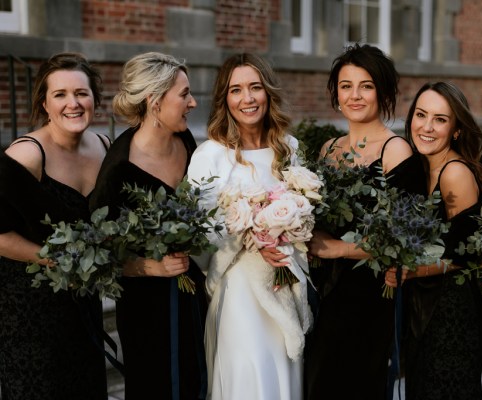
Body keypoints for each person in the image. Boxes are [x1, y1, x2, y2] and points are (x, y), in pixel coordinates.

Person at [303, 43, 427, 400]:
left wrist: (340, 248)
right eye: (346, 86)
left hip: (371, 295)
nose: (354, 95)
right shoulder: (328, 149)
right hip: (324, 292)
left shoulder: (396, 151)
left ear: (383, 91)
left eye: (366, 85)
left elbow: (407, 238)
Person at [186, 53, 312, 400]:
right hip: (238, 287)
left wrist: (289, 230)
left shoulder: (288, 149)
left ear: (268, 92)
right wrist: (253, 236)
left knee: (285, 370)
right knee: (249, 372)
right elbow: (199, 233)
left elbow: (306, 211)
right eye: (236, 90)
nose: (248, 98)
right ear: (224, 99)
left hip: (283, 284)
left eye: (255, 87)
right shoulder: (210, 155)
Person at [89, 52, 206, 400]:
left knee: (196, 377)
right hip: (145, 306)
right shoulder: (118, 170)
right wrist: (148, 267)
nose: (193, 102)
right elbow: (99, 255)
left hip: (189, 292)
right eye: (184, 94)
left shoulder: (186, 142)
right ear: (155, 102)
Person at [0, 52, 109, 399]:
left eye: (81, 93)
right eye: (60, 95)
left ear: (94, 99)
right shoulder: (27, 155)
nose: (72, 103)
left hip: (82, 302)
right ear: (45, 104)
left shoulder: (106, 147)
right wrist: (58, 260)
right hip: (29, 308)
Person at [387, 81, 482, 399]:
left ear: (457, 130)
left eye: (440, 119)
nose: (426, 127)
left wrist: (407, 270)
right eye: (421, 115)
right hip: (424, 304)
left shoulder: (455, 173)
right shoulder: (422, 167)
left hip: (453, 312)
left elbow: (466, 254)